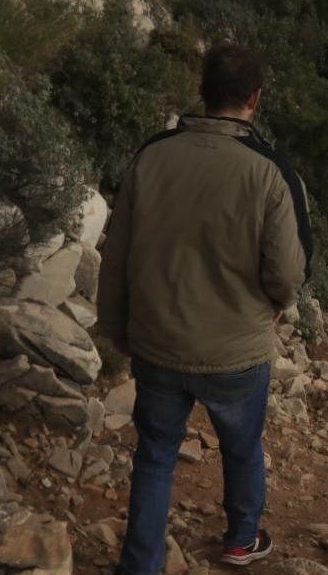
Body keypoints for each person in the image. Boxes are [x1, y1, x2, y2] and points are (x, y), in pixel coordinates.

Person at [98, 44, 314, 573]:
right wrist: (280, 305)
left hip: (157, 343)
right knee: (241, 449)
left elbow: (116, 252)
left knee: (154, 455)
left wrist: (115, 326)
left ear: (203, 91)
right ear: (255, 99)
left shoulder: (150, 156)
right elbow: (287, 272)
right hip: (237, 350)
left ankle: (140, 564)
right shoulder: (270, 172)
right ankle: (241, 540)